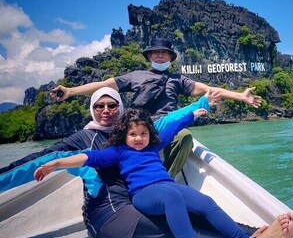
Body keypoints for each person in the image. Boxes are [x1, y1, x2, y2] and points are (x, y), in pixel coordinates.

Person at [1, 87, 293, 238]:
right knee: (165, 229)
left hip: (140, 198)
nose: (106, 111)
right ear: (92, 109)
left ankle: (244, 232)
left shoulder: (135, 133)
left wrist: (200, 104)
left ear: (120, 109)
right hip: (107, 213)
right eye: (99, 106)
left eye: (112, 105)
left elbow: (170, 123)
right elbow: (35, 162)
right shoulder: (86, 138)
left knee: (187, 206)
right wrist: (53, 165)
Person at [50, 37, 262, 178]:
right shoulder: (135, 76)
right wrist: (71, 91)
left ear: (170, 57)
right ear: (149, 57)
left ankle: (162, 179)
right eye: (155, 53)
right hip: (138, 126)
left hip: (167, 125)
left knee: (185, 136)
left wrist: (240, 96)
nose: (159, 56)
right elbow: (105, 85)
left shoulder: (178, 79)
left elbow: (209, 90)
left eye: (164, 53)